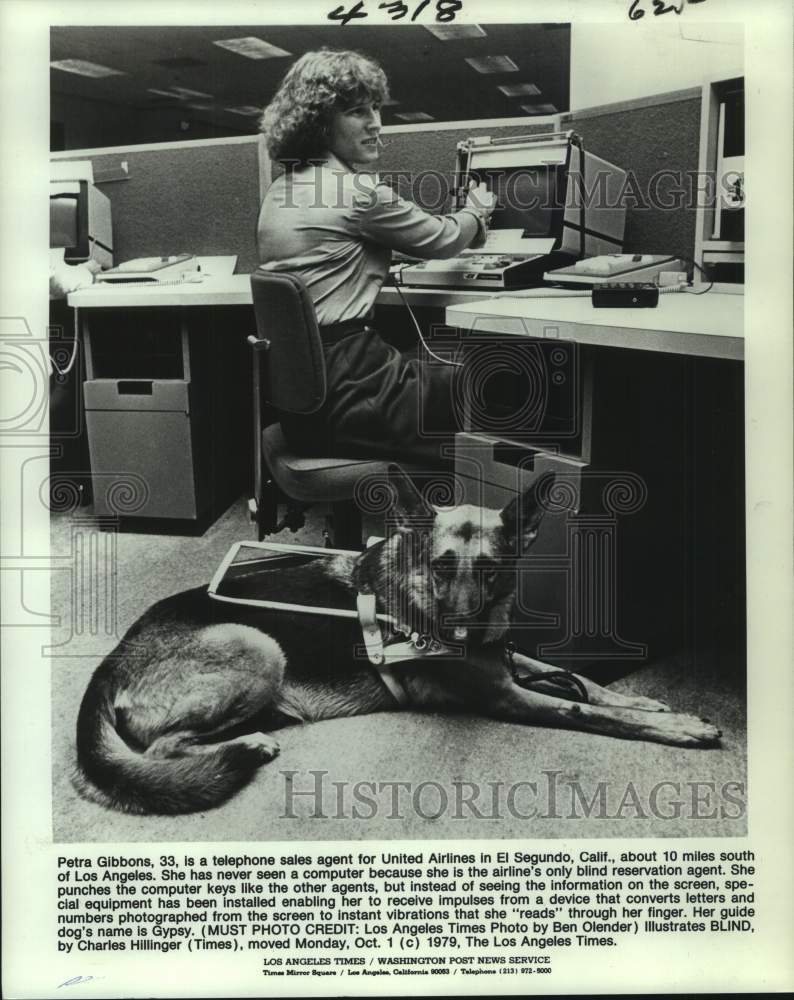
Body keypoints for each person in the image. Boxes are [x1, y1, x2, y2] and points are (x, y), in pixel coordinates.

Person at [257, 48, 495, 466]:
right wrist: (477, 210)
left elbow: (327, 254)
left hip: (307, 404)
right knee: (491, 378)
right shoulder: (356, 192)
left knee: (428, 362)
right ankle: (477, 513)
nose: (376, 123)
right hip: (354, 393)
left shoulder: (281, 189)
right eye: (355, 111)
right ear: (319, 120)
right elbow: (444, 238)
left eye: (376, 108)